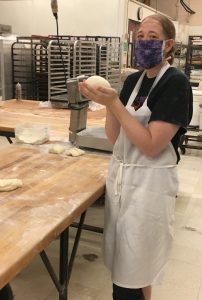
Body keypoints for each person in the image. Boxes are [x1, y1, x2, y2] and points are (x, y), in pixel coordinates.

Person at [79, 13, 193, 300]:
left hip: (149, 188)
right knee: (125, 264)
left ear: (168, 45)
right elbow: (117, 138)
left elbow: (152, 145)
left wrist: (114, 103)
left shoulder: (175, 84)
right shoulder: (133, 82)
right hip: (123, 181)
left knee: (135, 268)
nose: (144, 42)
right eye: (140, 36)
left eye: (153, 38)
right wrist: (107, 102)